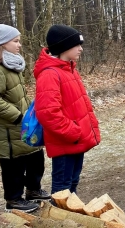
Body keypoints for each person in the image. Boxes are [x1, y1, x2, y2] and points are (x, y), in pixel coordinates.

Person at [33, 24, 101, 194]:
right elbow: (48, 113)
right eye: (76, 45)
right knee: (62, 188)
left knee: (72, 183)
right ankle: (60, 219)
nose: (80, 50)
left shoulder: (69, 69)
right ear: (64, 47)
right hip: (66, 141)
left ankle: (73, 217)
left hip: (76, 141)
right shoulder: (50, 74)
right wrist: (74, 132)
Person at [0, 24, 50, 212]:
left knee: (35, 157)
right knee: (13, 167)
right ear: (1, 44)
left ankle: (33, 190)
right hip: (7, 130)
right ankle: (14, 200)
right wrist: (17, 116)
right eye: (15, 41)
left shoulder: (11, 64)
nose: (19, 45)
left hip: (24, 124)